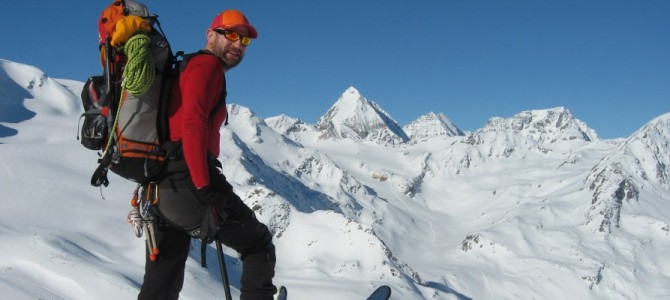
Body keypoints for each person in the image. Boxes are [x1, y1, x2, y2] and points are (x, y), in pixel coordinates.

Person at [137, 10, 277, 300]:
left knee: (163, 274)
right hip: (191, 180)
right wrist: (205, 187)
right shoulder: (206, 66)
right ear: (211, 34)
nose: (239, 44)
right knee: (258, 245)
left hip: (161, 189)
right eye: (232, 35)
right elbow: (193, 123)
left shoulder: (185, 69)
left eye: (246, 40)